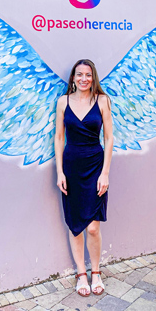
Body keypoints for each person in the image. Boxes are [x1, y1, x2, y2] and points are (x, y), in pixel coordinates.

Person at [55, 59, 113, 297]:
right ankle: (81, 274)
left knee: (92, 227)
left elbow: (109, 138)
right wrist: (59, 171)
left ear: (93, 77)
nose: (83, 79)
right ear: (73, 78)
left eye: (88, 75)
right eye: (79, 75)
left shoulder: (102, 101)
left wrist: (105, 173)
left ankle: (96, 272)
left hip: (95, 166)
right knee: (75, 225)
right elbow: (59, 138)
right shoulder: (62, 102)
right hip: (71, 168)